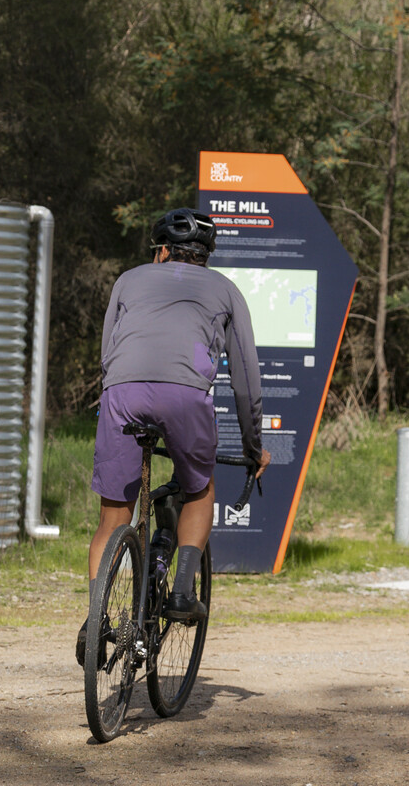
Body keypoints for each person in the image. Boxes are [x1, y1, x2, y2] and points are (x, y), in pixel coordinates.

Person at [81, 208, 270, 661]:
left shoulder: (129, 279)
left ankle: (95, 619)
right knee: (198, 489)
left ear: (162, 251)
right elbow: (246, 377)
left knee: (113, 516)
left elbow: (109, 350)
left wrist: (120, 391)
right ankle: (183, 591)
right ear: (204, 256)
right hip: (186, 396)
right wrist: (253, 446)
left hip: (122, 393)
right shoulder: (226, 289)